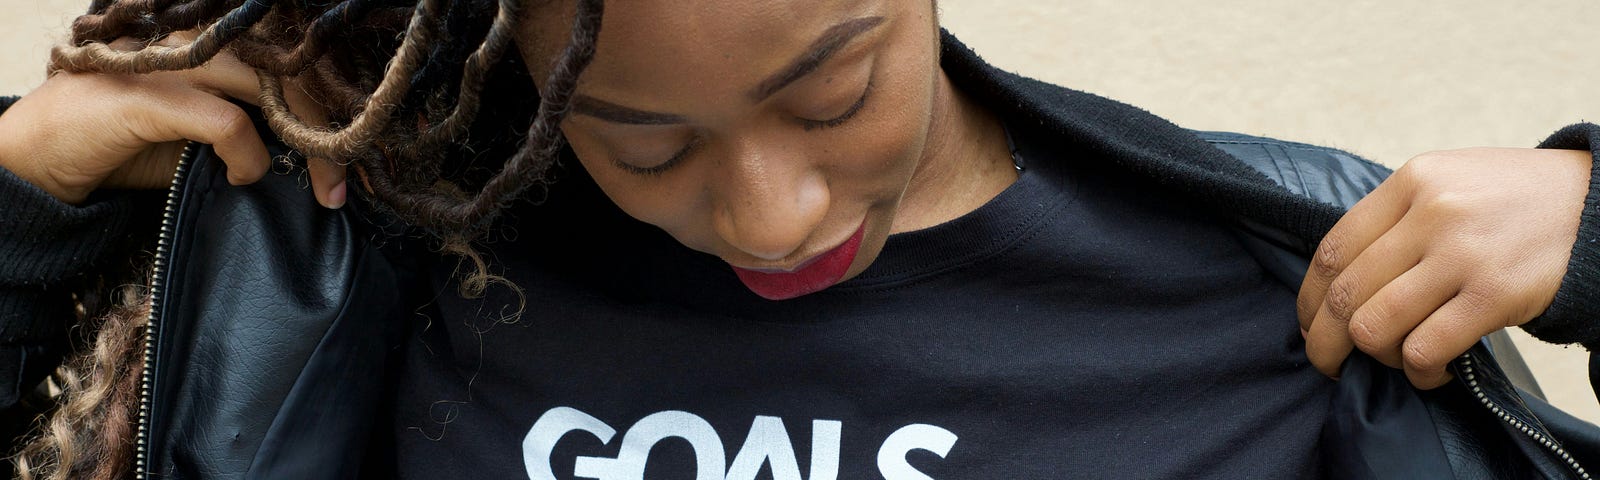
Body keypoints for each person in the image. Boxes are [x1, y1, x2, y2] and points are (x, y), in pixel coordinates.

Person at [0, 0, 1596, 478]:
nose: (775, 213)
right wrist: (25, 199)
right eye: (644, 140)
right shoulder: (375, 254)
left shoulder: (1302, 278)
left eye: (833, 90)